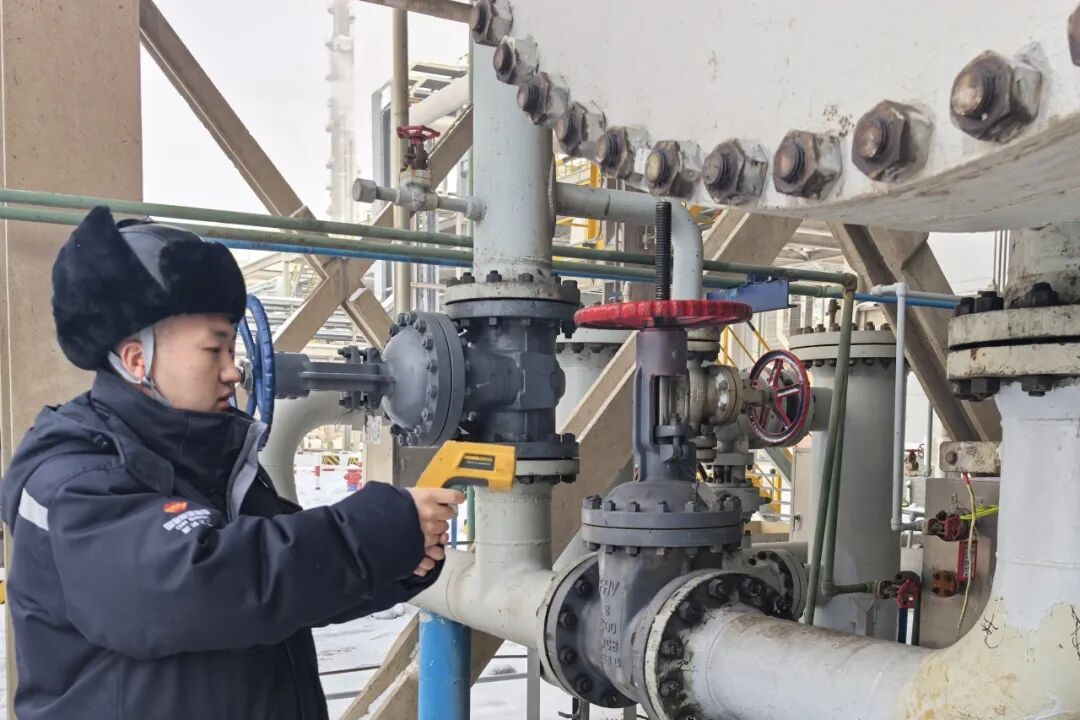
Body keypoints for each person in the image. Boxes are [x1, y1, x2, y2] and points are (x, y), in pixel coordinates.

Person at [0, 207, 464, 719]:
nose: (233, 372)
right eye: (213, 349)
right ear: (136, 360)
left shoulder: (208, 462)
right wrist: (380, 530)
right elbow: (204, 586)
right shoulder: (75, 478)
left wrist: (398, 558)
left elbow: (289, 583)